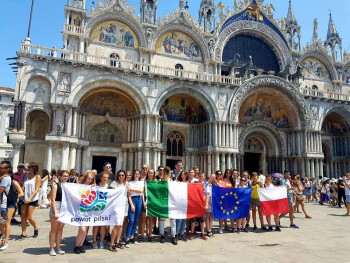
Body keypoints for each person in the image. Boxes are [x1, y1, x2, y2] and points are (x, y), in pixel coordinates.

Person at [0, 161, 24, 251]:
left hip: (9, 204)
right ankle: (2, 238)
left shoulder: (11, 181)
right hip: (3, 203)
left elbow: (21, 193)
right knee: (2, 223)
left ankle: (5, 241)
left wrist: (14, 199)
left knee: (7, 222)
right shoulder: (2, 179)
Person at [74, 172, 95, 254]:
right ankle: (76, 246)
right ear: (85, 178)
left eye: (91, 179)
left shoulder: (92, 187)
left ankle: (80, 245)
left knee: (85, 229)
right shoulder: (79, 186)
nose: (89, 181)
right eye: (88, 179)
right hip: (81, 210)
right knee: (82, 229)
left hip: (88, 210)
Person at [18, 162, 41, 239]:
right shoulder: (26, 176)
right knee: (23, 216)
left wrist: (30, 198)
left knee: (29, 216)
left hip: (32, 198)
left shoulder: (37, 177)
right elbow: (23, 186)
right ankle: (23, 233)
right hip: (24, 198)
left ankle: (36, 228)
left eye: (29, 167)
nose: (27, 169)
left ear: (33, 168)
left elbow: (37, 189)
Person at [49, 170, 68, 256]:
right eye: (64, 176)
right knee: (54, 229)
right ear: (59, 176)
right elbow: (53, 200)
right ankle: (51, 248)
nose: (65, 178)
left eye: (67, 176)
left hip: (64, 208)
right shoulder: (55, 186)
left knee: (60, 229)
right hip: (56, 207)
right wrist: (56, 212)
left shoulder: (67, 186)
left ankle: (58, 247)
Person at [108, 170, 127, 252]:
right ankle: (111, 244)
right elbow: (112, 193)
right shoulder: (114, 184)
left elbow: (129, 193)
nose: (121, 177)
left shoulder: (126, 184)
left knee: (120, 225)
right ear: (117, 176)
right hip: (117, 206)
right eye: (119, 175)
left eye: (123, 175)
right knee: (116, 225)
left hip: (124, 205)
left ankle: (117, 242)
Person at [125, 169, 144, 248]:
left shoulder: (141, 182)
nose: (136, 175)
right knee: (131, 220)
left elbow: (141, 191)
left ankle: (132, 236)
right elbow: (129, 195)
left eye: (138, 174)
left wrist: (132, 189)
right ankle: (127, 238)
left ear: (139, 175)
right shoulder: (130, 183)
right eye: (135, 174)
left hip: (139, 199)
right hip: (132, 200)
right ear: (134, 175)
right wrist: (131, 204)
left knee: (136, 219)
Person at [158, 167, 177, 245]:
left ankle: (173, 235)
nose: (168, 173)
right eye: (166, 172)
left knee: (173, 219)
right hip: (163, 202)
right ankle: (162, 235)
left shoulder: (172, 181)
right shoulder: (160, 181)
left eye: (168, 172)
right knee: (162, 219)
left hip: (171, 201)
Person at [92, 172, 110, 249]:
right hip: (97, 207)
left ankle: (101, 241)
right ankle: (94, 241)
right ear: (101, 178)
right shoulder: (96, 186)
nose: (105, 179)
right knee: (96, 225)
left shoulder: (109, 187)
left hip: (105, 208)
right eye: (104, 177)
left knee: (103, 226)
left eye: (107, 177)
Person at [189, 172, 207, 241]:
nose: (201, 177)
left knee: (202, 219)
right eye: (200, 176)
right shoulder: (194, 183)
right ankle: (192, 233)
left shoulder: (206, 184)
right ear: (198, 176)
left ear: (204, 177)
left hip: (202, 203)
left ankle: (202, 233)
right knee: (193, 219)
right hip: (195, 203)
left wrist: (206, 204)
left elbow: (207, 194)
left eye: (202, 176)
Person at [176, 171, 188, 242]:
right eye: (182, 175)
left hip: (185, 202)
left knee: (184, 219)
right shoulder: (178, 183)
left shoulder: (188, 183)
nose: (183, 176)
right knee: (179, 218)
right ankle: (176, 233)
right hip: (179, 202)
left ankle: (182, 233)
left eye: (184, 174)